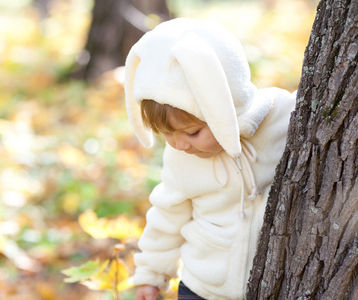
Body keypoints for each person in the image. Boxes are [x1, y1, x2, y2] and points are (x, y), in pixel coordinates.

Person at [123, 18, 296, 300]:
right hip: (203, 286)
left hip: (274, 283)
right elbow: (167, 216)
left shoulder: (280, 119)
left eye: (192, 132)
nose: (179, 145)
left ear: (225, 102)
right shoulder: (180, 159)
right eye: (166, 134)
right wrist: (150, 275)